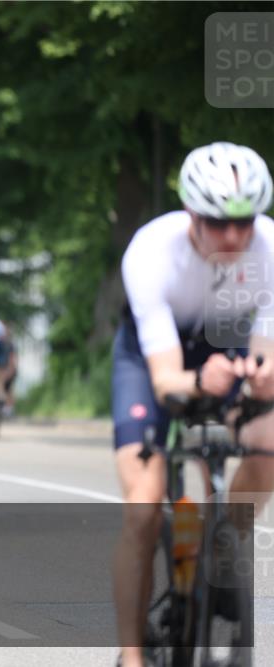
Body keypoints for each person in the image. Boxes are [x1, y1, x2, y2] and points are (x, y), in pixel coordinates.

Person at [111, 142, 274, 667]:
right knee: (144, 504)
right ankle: (132, 655)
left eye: (244, 222)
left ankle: (224, 546)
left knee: (268, 436)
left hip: (225, 343)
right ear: (191, 216)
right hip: (152, 355)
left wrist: (260, 379)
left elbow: (266, 355)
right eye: (217, 223)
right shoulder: (151, 251)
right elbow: (166, 382)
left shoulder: (269, 249)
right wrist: (200, 379)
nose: (234, 236)